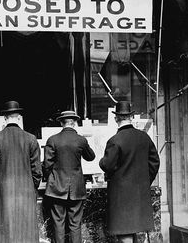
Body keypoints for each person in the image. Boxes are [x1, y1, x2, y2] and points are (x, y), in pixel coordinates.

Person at [99, 101, 160, 243]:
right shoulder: (144, 137)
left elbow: (107, 165)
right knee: (135, 231)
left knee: (124, 232)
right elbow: (155, 162)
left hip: (121, 196)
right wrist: (145, 181)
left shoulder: (115, 140)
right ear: (131, 117)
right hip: (140, 193)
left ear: (116, 119)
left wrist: (101, 161)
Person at [0, 100, 42, 243]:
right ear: (19, 117)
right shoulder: (31, 139)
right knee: (26, 230)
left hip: (3, 192)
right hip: (26, 191)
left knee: (6, 230)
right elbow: (37, 170)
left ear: (4, 118)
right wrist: (32, 186)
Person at [44, 110, 96, 243]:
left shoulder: (53, 140)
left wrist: (52, 178)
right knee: (75, 225)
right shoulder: (81, 140)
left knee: (58, 223)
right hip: (76, 189)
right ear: (75, 123)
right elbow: (91, 157)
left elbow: (47, 165)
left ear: (61, 122)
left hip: (56, 189)